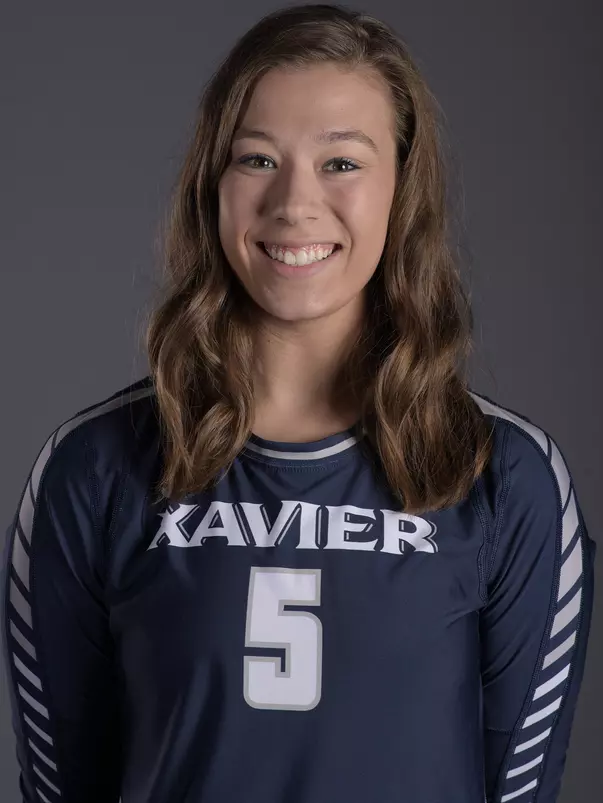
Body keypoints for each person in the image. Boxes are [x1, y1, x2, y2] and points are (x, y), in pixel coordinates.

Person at [1, 4, 595, 802]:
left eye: (341, 163)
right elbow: (60, 783)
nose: (293, 202)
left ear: (402, 188)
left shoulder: (504, 478)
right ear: (211, 183)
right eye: (255, 158)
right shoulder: (94, 469)